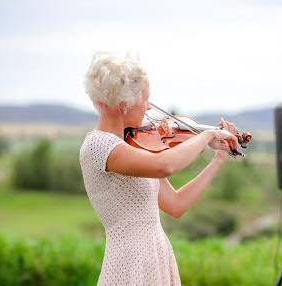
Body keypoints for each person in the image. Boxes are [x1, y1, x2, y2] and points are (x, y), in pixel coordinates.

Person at [79, 52, 239, 286]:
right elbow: (167, 165)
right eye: (146, 100)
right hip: (129, 263)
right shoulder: (98, 146)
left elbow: (176, 205)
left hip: (156, 256)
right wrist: (207, 135)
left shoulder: (134, 144)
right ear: (124, 105)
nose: (148, 108)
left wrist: (218, 160)